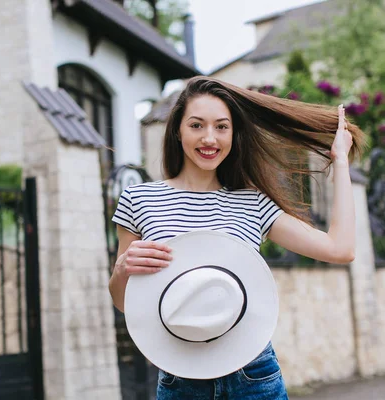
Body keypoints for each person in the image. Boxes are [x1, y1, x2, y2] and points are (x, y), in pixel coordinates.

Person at [108, 76, 367, 399]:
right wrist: (122, 271)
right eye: (196, 125)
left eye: (221, 127)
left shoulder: (252, 203)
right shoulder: (139, 200)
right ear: (177, 130)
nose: (209, 138)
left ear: (233, 134)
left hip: (254, 375)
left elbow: (340, 249)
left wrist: (340, 160)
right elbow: (124, 303)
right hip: (180, 380)